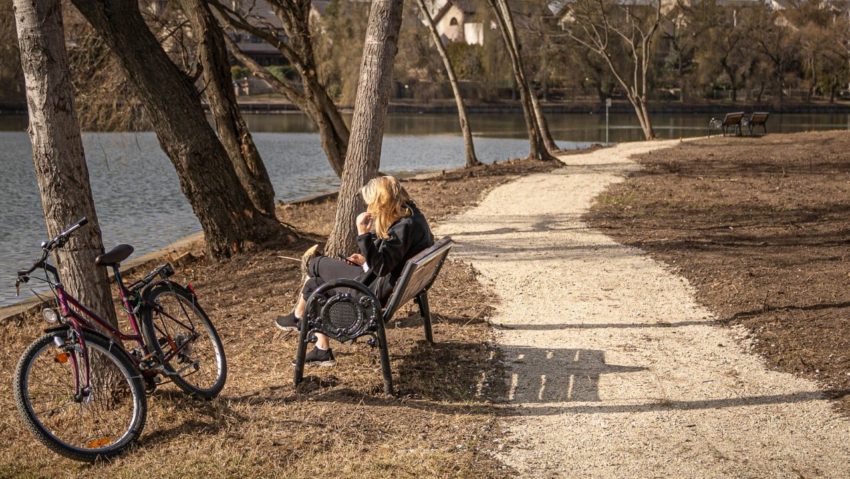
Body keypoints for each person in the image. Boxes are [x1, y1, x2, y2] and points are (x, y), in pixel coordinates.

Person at [275, 176, 434, 366]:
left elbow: (382, 267)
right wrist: (366, 262)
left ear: (380, 201)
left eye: (371, 203)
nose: (370, 208)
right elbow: (389, 263)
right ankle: (317, 343)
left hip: (371, 293)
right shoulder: (413, 217)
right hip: (382, 285)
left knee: (315, 267)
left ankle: (301, 320)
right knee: (314, 282)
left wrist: (363, 234)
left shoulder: (403, 227)